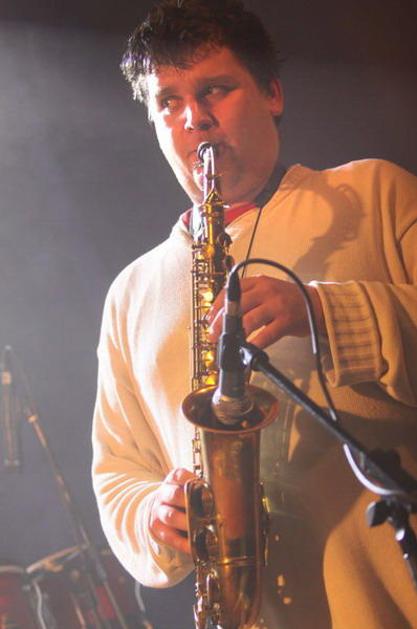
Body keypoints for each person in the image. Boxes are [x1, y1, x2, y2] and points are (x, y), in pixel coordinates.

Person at [92, 1, 417, 627]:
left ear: (272, 93)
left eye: (215, 89)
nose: (195, 119)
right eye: (169, 102)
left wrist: (325, 310)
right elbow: (118, 472)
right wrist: (154, 514)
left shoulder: (374, 193)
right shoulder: (129, 293)